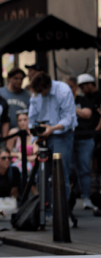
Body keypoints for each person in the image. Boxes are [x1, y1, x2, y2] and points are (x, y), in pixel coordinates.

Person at [28, 72, 77, 205]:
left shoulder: (63, 90)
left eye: (42, 91)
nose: (40, 94)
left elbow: (69, 118)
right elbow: (31, 119)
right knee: (40, 176)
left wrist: (52, 128)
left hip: (61, 134)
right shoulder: (35, 93)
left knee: (60, 174)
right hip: (42, 135)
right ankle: (47, 209)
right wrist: (34, 140)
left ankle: (62, 212)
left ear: (48, 86)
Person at [74, 74, 100, 211]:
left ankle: (89, 196)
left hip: (90, 136)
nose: (82, 89)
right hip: (78, 137)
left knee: (88, 167)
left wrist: (96, 131)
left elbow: (93, 115)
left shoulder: (95, 97)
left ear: (90, 83)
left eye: (83, 86)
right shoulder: (84, 98)